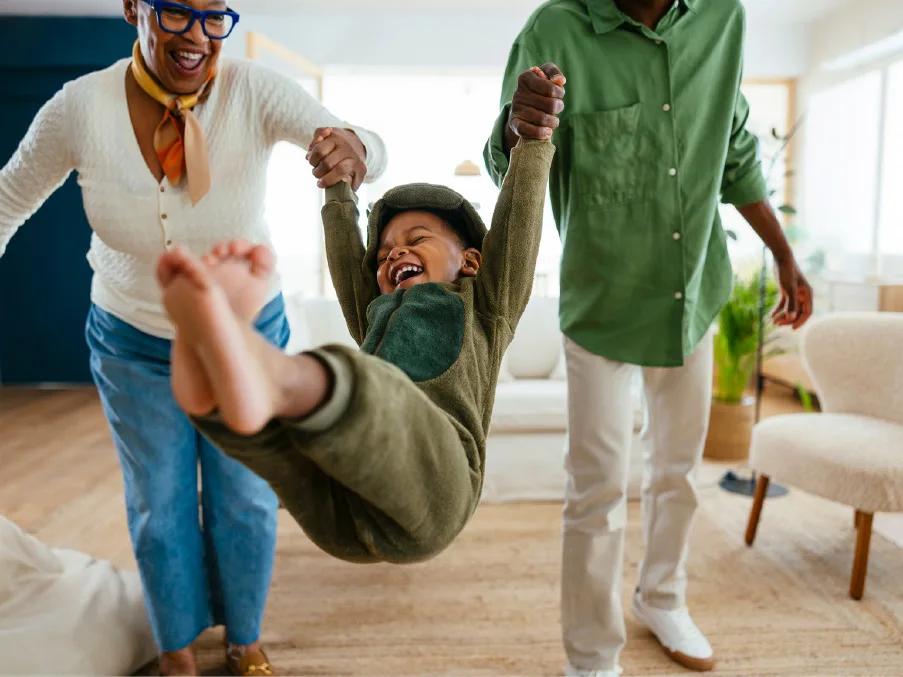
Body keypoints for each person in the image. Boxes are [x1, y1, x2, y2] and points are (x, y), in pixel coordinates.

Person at [0, 0, 386, 673]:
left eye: (215, 18)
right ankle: (176, 646)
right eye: (177, 12)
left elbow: (355, 142)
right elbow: (8, 198)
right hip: (132, 337)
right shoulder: (78, 107)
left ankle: (244, 636)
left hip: (244, 334)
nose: (197, 37)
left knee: (245, 495)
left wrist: (355, 148)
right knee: (159, 499)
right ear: (133, 10)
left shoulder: (253, 90)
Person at [484, 2, 813, 675]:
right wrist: (520, 128)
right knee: (597, 489)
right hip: (600, 301)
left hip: (690, 296)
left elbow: (735, 145)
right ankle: (591, 656)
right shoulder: (554, 29)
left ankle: (661, 597)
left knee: (677, 472)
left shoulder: (723, 19)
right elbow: (505, 161)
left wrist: (782, 253)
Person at [154, 70, 559, 568]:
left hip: (437, 489)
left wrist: (532, 145)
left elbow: (517, 228)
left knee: (363, 389)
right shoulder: (374, 312)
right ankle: (207, 389)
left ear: (471, 262)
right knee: (281, 446)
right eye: (385, 252)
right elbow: (349, 263)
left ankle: (275, 373)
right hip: (342, 508)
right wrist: (337, 190)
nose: (396, 254)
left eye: (417, 239)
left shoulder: (485, 307)